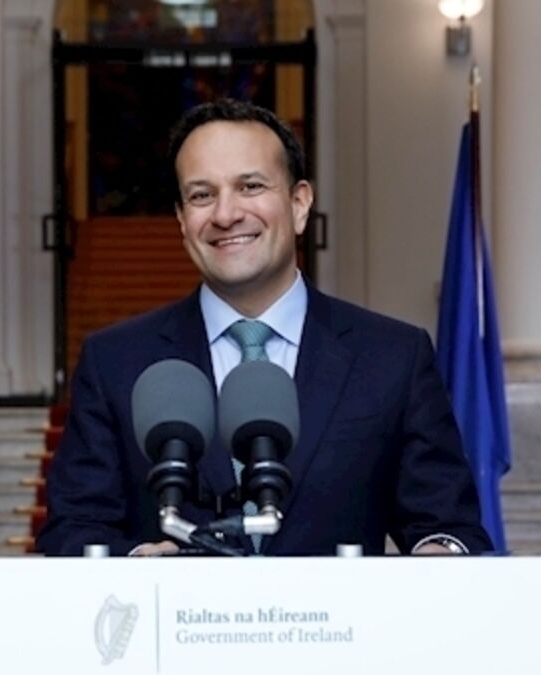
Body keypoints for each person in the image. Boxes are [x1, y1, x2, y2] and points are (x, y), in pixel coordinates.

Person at [38, 99, 491, 557]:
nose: (225, 214)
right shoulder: (115, 362)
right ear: (181, 220)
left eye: (250, 186)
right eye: (201, 195)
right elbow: (72, 531)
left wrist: (440, 554)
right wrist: (137, 566)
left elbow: (450, 526)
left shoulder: (394, 357)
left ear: (299, 204)